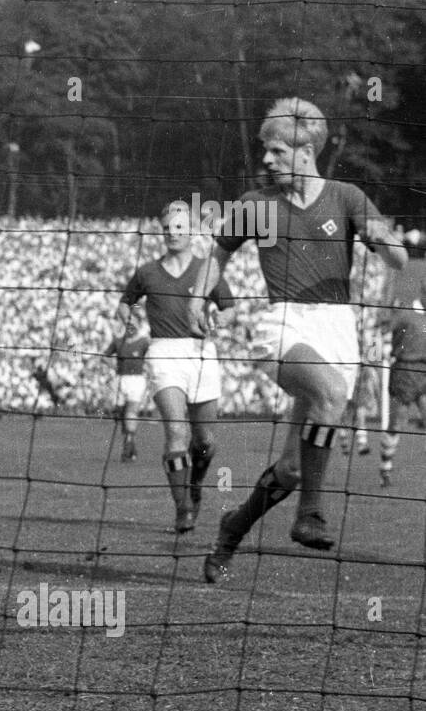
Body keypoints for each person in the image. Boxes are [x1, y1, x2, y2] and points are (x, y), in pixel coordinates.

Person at [196, 98, 407, 583]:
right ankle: (310, 513)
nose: (266, 160)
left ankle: (233, 526)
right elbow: (218, 255)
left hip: (338, 331)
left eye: (276, 152)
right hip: (283, 325)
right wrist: (195, 298)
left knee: (291, 469)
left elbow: (394, 258)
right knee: (330, 393)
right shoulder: (256, 205)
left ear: (306, 149)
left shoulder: (347, 197)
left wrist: (386, 243)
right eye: (265, 152)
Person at [119, 202, 235, 531]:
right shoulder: (147, 272)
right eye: (167, 228)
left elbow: (230, 309)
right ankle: (182, 507)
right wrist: (126, 320)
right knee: (176, 431)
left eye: (179, 228)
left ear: (192, 231)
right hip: (163, 352)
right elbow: (125, 303)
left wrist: (218, 319)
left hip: (200, 353)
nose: (172, 233)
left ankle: (194, 487)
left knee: (205, 440)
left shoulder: (205, 269)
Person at [378, 299, 426, 487]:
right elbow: (380, 329)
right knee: (396, 422)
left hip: (424, 371)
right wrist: (373, 355)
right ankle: (385, 468)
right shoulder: (404, 313)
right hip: (405, 370)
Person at [102, 310, 150, 462]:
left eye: (133, 323)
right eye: (128, 324)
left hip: (136, 380)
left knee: (131, 411)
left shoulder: (144, 342)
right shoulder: (118, 341)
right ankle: (130, 442)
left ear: (138, 324)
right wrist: (113, 366)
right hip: (120, 379)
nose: (130, 327)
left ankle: (128, 441)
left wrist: (148, 370)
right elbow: (105, 357)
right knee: (121, 413)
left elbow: (152, 357)